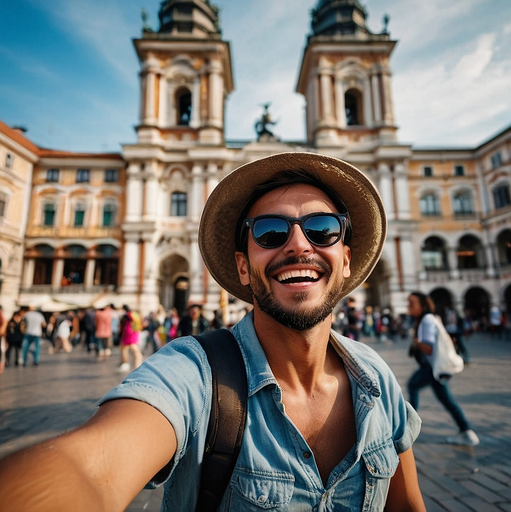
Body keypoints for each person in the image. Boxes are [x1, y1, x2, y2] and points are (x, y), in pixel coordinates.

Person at [0, 153, 425, 511]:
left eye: (323, 229)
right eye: (271, 231)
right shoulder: (193, 375)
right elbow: (87, 466)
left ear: (346, 259)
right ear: (243, 266)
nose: (298, 245)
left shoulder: (375, 378)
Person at [407, 291, 479, 447]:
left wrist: (416, 341)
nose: (408, 306)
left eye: (412, 303)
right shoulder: (427, 319)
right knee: (446, 400)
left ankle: (409, 427)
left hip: (433, 367)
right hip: (436, 368)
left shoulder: (426, 320)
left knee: (413, 386)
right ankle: (467, 431)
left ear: (423, 305)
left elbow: (428, 349)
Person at [117, 304, 143, 372]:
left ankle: (125, 363)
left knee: (124, 348)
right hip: (135, 332)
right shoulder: (135, 314)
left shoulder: (126, 315)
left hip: (127, 333)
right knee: (135, 348)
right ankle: (138, 363)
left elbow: (122, 325)